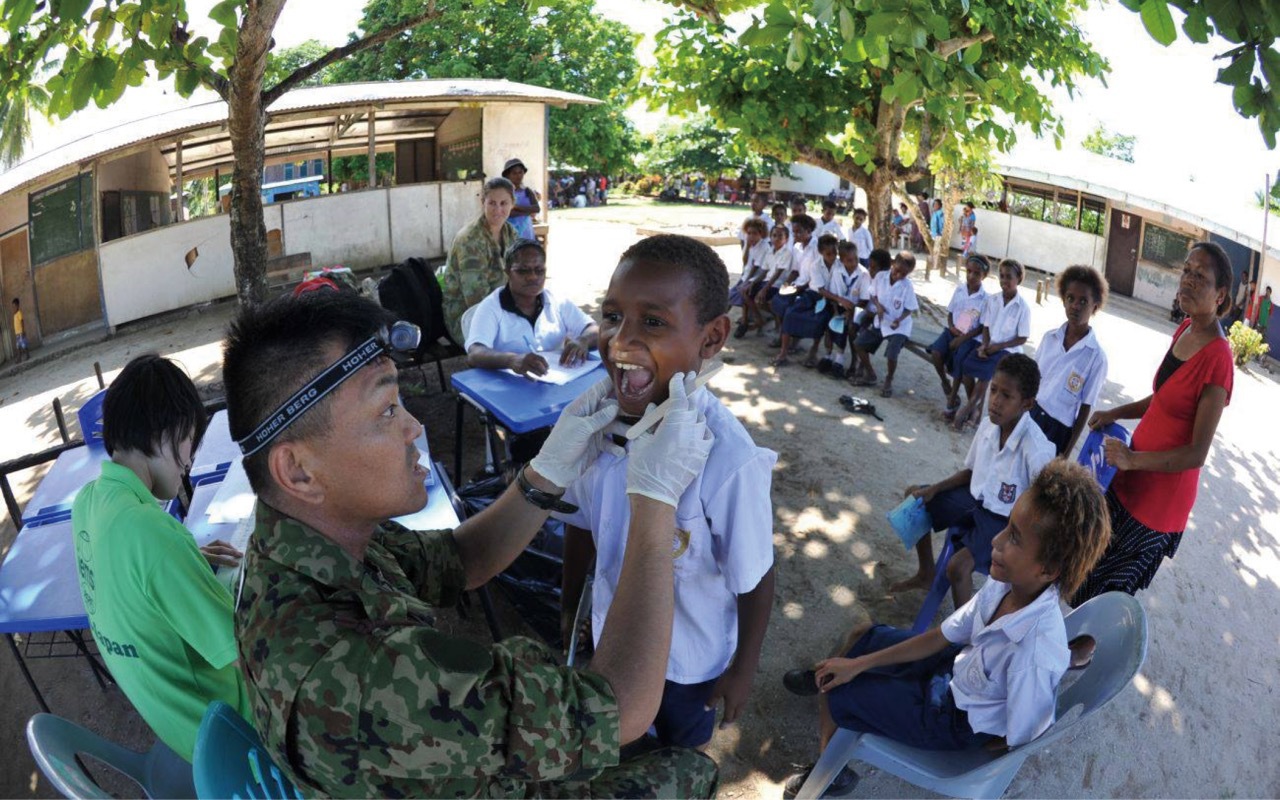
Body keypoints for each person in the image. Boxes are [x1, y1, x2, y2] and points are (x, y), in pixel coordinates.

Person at [223, 289, 719, 798]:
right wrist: (655, 503)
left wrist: (545, 473)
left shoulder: (306, 542)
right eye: (387, 411)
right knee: (689, 770)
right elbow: (621, 709)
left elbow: (460, 561)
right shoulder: (357, 673)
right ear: (298, 471)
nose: (415, 427)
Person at [559, 234, 776, 751]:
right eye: (612, 316)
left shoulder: (729, 459)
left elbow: (755, 575)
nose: (620, 341)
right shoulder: (595, 432)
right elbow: (581, 527)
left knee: (679, 758)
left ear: (712, 337)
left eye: (653, 322)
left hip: (689, 664)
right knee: (617, 748)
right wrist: (571, 611)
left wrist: (743, 668)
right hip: (613, 643)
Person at [779, 460, 1111, 798]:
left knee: (838, 693)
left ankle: (829, 773)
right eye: (1007, 526)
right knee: (860, 636)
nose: (995, 541)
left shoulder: (1035, 651)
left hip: (954, 720)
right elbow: (941, 636)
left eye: (1014, 537)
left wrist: (971, 753)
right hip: (953, 667)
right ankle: (832, 675)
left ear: (1048, 570)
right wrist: (857, 664)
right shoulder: (1005, 584)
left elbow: (1024, 735)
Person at [72, 354, 247, 761]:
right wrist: (173, 553)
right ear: (165, 432)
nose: (189, 459)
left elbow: (122, 579)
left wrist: (186, 559)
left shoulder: (87, 502)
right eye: (189, 441)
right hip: (233, 738)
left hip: (176, 729)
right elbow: (247, 656)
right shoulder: (153, 535)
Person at [1076, 241, 1234, 607]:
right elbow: (1162, 400)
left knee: (1104, 600)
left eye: (1201, 276)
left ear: (1221, 295)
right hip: (1127, 477)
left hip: (1157, 505)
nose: (1188, 280)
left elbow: (1197, 453)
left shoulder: (1218, 360)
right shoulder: (1185, 329)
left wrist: (1133, 459)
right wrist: (1116, 413)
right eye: (1187, 271)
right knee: (1083, 570)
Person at [889, 354, 1055, 604]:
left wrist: (1016, 540)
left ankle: (963, 627)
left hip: (1004, 520)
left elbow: (1042, 508)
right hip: (973, 499)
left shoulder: (1037, 450)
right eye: (994, 390)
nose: (995, 401)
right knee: (916, 500)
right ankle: (926, 573)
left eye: (1006, 396)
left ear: (1027, 404)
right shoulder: (988, 426)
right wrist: (935, 489)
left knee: (957, 568)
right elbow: (971, 473)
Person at [464, 238, 597, 377]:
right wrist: (511, 360)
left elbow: (593, 329)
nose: (533, 277)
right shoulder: (492, 306)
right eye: (523, 271)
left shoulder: (556, 301)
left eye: (539, 270)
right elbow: (475, 353)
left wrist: (583, 341)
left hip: (554, 380)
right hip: (506, 382)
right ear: (508, 272)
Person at [1031, 265, 1109, 457]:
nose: (1075, 306)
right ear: (1063, 300)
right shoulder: (1049, 338)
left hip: (1058, 429)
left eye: (1083, 301)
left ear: (1094, 307)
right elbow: (1032, 380)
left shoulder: (1096, 357)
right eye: (1070, 298)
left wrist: (1066, 453)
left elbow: (1085, 407)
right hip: (1031, 413)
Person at [436, 176, 520, 343]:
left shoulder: (510, 233)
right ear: (483, 202)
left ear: (512, 204)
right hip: (468, 316)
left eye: (504, 203)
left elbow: (519, 278)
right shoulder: (470, 240)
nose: (498, 209)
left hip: (502, 310)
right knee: (515, 342)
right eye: (492, 203)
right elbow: (476, 298)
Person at [951, 259, 1031, 432]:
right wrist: (984, 345)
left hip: (1008, 351)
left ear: (1018, 279)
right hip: (990, 346)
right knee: (966, 367)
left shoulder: (1022, 307)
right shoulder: (993, 300)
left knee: (986, 374)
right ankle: (976, 408)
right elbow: (986, 326)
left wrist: (999, 347)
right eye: (1001, 276)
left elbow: (1022, 338)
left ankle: (967, 409)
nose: (1004, 281)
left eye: (1009, 277)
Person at [851, 251, 918, 398]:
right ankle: (870, 374)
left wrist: (899, 320)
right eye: (897, 270)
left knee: (892, 353)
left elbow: (909, 308)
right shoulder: (881, 277)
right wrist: (878, 306)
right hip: (881, 320)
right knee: (859, 344)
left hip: (899, 325)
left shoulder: (907, 286)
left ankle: (889, 378)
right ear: (893, 264)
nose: (899, 275)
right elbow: (872, 294)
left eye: (904, 274)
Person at [929, 255, 989, 413]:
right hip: (953, 330)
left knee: (960, 360)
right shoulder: (960, 289)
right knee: (936, 352)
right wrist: (951, 327)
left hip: (970, 337)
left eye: (976, 273)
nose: (971, 276)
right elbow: (950, 312)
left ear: (984, 276)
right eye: (969, 271)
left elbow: (981, 327)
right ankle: (945, 383)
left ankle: (953, 398)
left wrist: (962, 339)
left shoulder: (985, 299)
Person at [773, 234, 838, 367]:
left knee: (820, 318)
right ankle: (783, 352)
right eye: (828, 254)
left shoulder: (839, 265)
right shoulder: (815, 265)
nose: (832, 257)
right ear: (821, 252)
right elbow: (820, 289)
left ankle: (813, 351)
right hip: (813, 294)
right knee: (790, 313)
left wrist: (837, 300)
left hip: (830, 300)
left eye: (834, 253)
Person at [817, 240, 871, 379]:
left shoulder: (863, 274)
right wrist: (836, 310)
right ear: (841, 260)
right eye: (849, 260)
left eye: (855, 259)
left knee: (848, 325)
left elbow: (864, 300)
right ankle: (828, 355)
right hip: (837, 305)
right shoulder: (837, 271)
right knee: (830, 321)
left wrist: (850, 312)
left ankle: (843, 359)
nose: (854, 263)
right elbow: (833, 293)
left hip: (856, 308)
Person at [769, 214, 819, 344]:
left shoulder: (816, 247)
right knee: (777, 300)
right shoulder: (797, 247)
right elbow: (795, 271)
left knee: (791, 309)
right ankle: (784, 334)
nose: (795, 235)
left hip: (811, 288)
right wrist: (786, 285)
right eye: (794, 232)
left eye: (799, 232)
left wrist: (799, 288)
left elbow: (816, 275)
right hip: (798, 285)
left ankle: (793, 339)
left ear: (808, 230)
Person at [731, 217, 772, 338]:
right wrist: (748, 247)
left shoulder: (764, 246)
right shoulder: (750, 245)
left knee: (744, 291)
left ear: (761, 234)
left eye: (754, 233)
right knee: (735, 293)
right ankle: (745, 321)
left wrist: (747, 281)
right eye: (749, 233)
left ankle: (755, 320)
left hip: (761, 277)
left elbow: (757, 267)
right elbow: (745, 262)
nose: (751, 236)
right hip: (749, 275)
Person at [754, 224, 794, 334]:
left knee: (765, 301)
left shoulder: (787, 253)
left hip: (777, 284)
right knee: (747, 293)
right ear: (770, 237)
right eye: (774, 235)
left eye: (780, 236)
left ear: (786, 239)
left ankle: (779, 323)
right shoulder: (770, 251)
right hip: (767, 282)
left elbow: (778, 273)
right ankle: (768, 320)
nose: (777, 238)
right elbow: (765, 271)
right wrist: (753, 282)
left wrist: (764, 289)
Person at [501, 157, 541, 241]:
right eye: (514, 173)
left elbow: (537, 209)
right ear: (508, 175)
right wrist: (528, 212)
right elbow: (507, 213)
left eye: (520, 172)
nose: (518, 176)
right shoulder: (504, 192)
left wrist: (516, 207)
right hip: (511, 232)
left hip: (527, 231)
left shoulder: (527, 191)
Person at [12, 297, 28, 362]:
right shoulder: (14, 315)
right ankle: (19, 358)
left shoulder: (19, 313)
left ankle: (27, 355)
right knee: (18, 346)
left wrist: (23, 331)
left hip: (21, 332)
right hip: (17, 333)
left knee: (23, 345)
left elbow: (22, 321)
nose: (13, 308)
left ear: (18, 306)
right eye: (13, 307)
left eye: (14, 306)